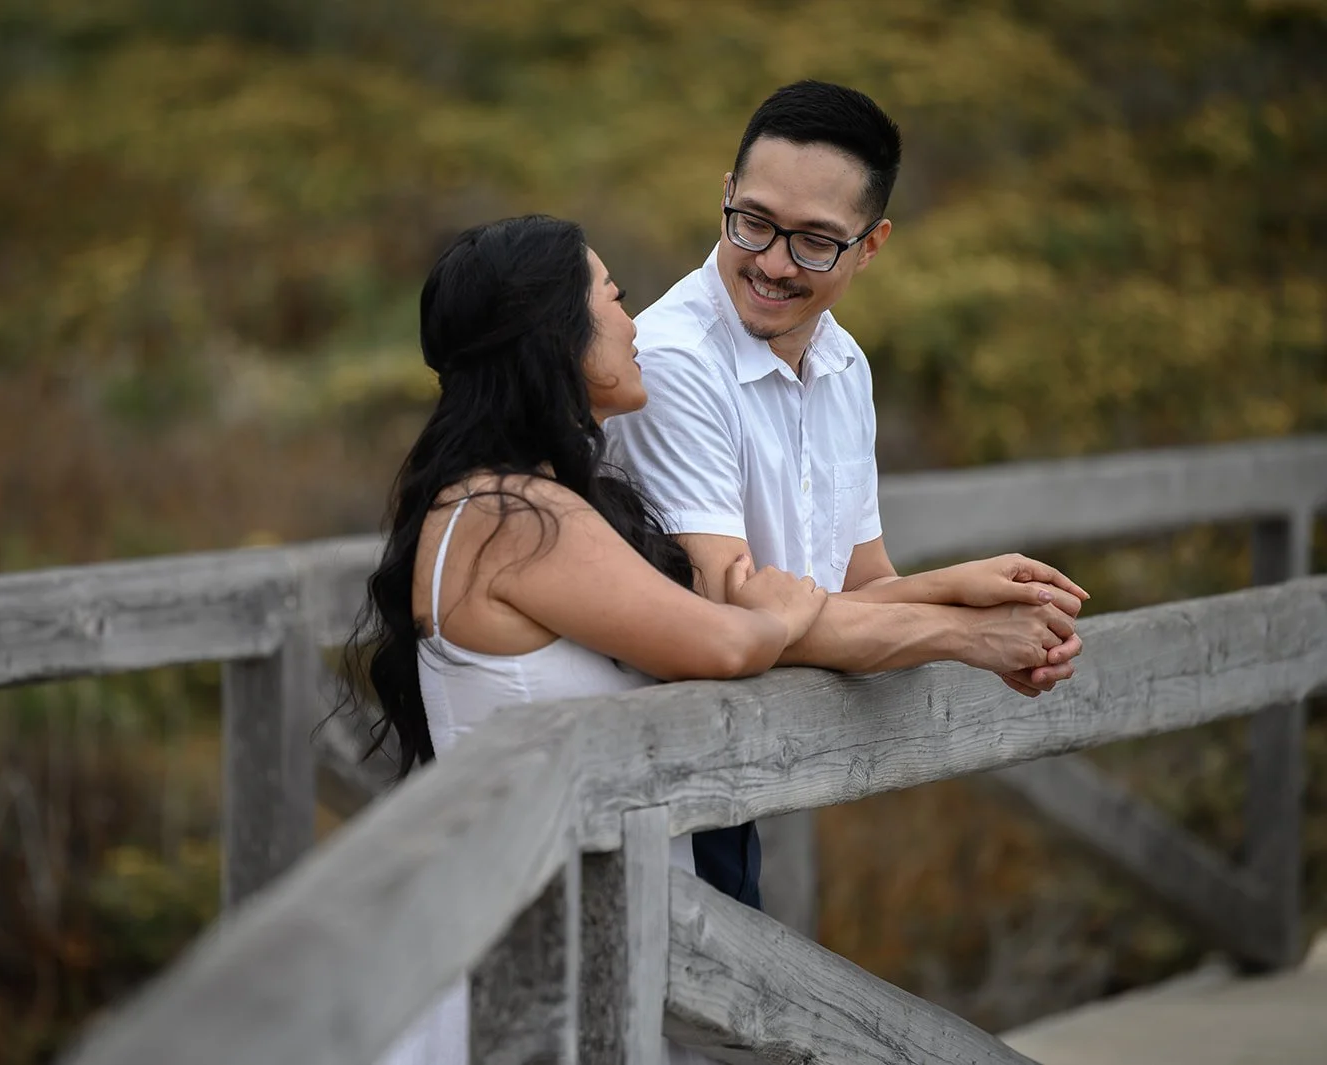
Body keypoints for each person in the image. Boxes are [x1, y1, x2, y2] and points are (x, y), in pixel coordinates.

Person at [347, 214, 827, 1065]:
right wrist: (783, 611)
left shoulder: (502, 501)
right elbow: (719, 645)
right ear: (554, 333)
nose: (634, 322)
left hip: (559, 946)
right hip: (533, 970)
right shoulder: (512, 516)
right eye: (614, 297)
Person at [606, 80, 1091, 913]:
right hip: (649, 774)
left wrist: (970, 589)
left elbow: (855, 592)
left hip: (741, 772)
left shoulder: (845, 365)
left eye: (816, 242)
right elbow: (732, 613)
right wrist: (963, 632)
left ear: (872, 246)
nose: (771, 261)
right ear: (724, 195)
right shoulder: (673, 361)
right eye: (753, 220)